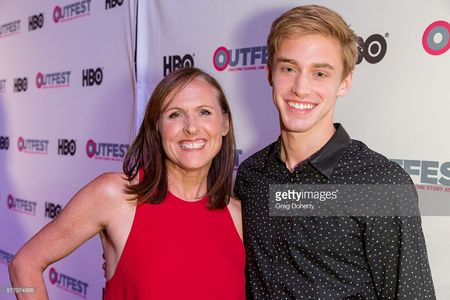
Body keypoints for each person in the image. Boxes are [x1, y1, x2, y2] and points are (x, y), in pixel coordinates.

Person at [234, 5, 436, 299]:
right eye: (289, 68)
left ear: (344, 82)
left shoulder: (379, 184)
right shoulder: (252, 176)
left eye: (319, 73)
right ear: (269, 74)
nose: (301, 88)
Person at [9, 67, 246, 299]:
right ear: (157, 127)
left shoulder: (240, 216)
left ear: (225, 123)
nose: (192, 127)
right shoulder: (116, 196)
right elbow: (24, 265)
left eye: (204, 112)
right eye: (175, 114)